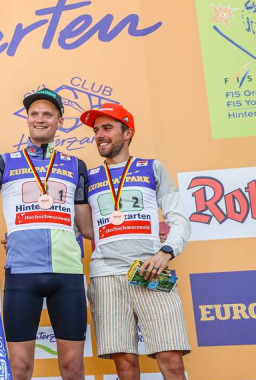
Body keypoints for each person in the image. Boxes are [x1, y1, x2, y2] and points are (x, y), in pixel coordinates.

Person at [0, 88, 91, 380]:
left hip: (67, 274)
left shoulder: (76, 166)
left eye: (48, 114)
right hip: (22, 274)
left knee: (73, 368)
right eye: (34, 114)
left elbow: (87, 227)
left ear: (60, 121)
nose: (40, 119)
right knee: (18, 369)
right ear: (27, 119)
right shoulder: (3, 162)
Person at [81, 103, 190, 380]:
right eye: (96, 131)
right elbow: (76, 227)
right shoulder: (89, 177)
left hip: (150, 271)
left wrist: (166, 252)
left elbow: (179, 218)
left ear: (127, 132)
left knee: (172, 358)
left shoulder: (152, 168)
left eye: (107, 128)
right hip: (106, 275)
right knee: (125, 365)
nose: (100, 135)